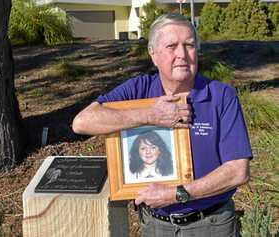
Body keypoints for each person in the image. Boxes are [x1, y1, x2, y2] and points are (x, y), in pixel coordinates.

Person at [72, 13, 252, 237]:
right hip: (155, 225)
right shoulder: (138, 89)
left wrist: (178, 194)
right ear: (153, 54)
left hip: (212, 224)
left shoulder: (221, 96)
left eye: (189, 45)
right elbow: (82, 122)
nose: (182, 55)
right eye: (171, 46)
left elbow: (238, 171)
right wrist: (150, 115)